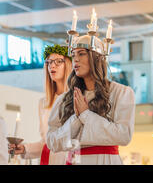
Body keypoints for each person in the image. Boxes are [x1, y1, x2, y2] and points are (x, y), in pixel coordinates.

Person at [46, 34, 135, 165]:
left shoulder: (121, 92)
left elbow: (124, 135)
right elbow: (52, 142)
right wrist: (76, 118)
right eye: (74, 54)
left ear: (97, 58)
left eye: (81, 54)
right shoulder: (65, 99)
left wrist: (86, 115)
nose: (75, 59)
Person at [8, 45, 72, 165]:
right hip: (48, 160)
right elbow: (46, 143)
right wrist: (25, 148)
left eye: (58, 62)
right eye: (49, 62)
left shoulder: (75, 99)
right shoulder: (44, 103)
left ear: (68, 65)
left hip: (70, 159)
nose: (52, 66)